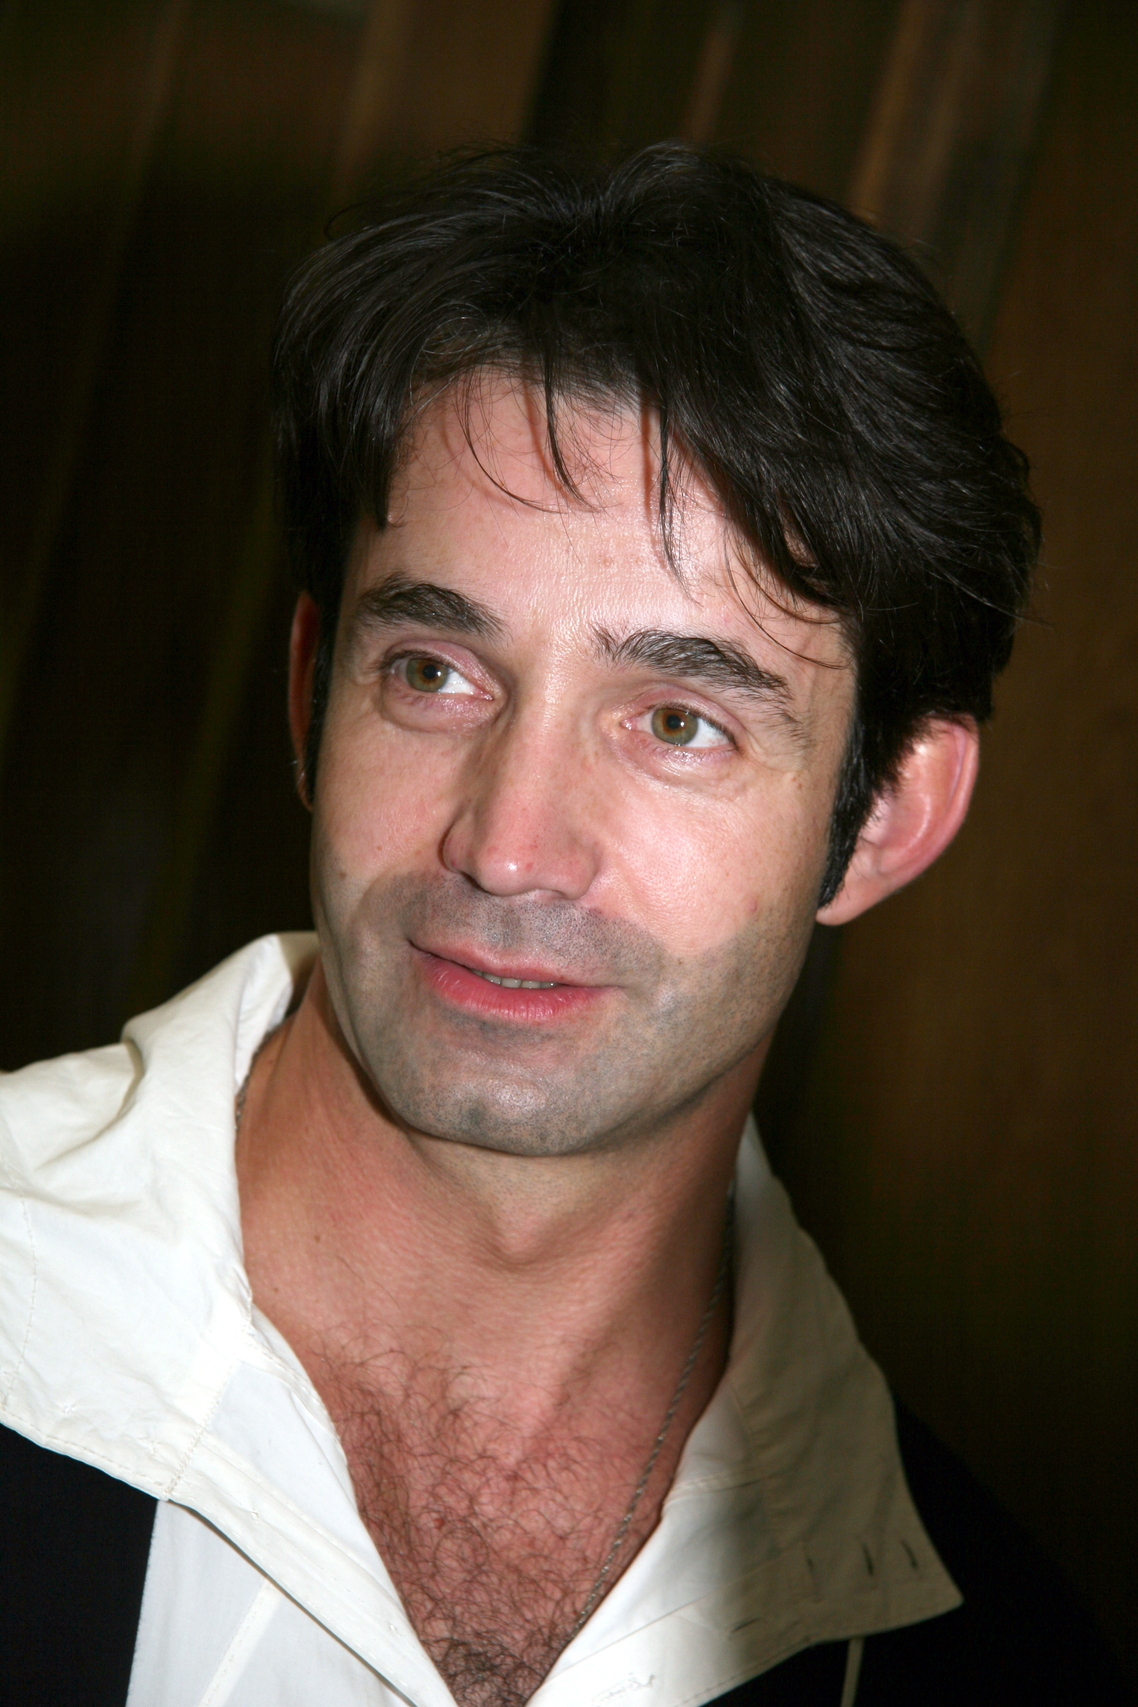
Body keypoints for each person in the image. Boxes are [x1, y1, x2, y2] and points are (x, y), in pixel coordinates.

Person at [0, 147, 1128, 1707]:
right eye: (435, 674)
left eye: (676, 721)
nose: (507, 846)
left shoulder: (988, 1659)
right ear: (312, 692)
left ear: (883, 815)